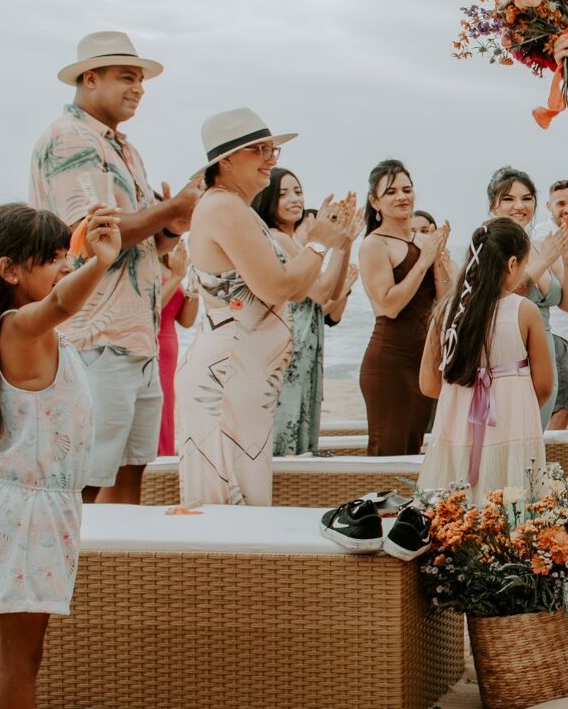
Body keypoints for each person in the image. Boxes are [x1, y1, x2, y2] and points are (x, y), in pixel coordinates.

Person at [0, 200, 119, 709]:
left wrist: (78, 249)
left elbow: (57, 301)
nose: (64, 267)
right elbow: (62, 304)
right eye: (51, 259)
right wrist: (100, 261)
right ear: (9, 270)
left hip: (21, 504)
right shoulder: (20, 327)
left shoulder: (15, 328)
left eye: (66, 256)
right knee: (18, 663)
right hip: (31, 511)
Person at [28, 31, 198, 504]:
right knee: (85, 479)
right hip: (92, 337)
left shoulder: (124, 148)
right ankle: (79, 577)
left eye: (141, 80)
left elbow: (136, 243)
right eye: (127, 77)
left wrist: (171, 227)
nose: (138, 88)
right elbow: (87, 240)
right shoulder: (69, 139)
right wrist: (168, 211)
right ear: (89, 79)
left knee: (129, 475)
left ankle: (114, 577)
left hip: (133, 335)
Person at [177, 111, 358, 505]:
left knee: (245, 498)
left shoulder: (235, 208)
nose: (270, 158)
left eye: (270, 148)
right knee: (231, 504)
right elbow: (278, 287)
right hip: (226, 377)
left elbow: (302, 288)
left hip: (242, 377)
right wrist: (319, 244)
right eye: (258, 150)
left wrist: (331, 242)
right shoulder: (224, 207)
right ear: (225, 161)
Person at [416, 218, 550, 493]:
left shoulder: (446, 311)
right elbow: (545, 386)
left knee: (456, 515)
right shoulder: (524, 311)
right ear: (512, 264)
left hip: (455, 433)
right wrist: (512, 401)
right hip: (513, 431)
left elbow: (428, 384)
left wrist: (465, 399)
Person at [252, 170, 355, 456]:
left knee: (302, 432)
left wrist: (343, 244)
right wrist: (332, 244)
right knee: (287, 437)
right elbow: (321, 293)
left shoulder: (296, 242)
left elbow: (333, 290)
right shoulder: (277, 238)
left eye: (297, 191)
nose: (294, 199)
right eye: (283, 193)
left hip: (306, 348)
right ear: (268, 199)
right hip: (291, 349)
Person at [482, 167, 568, 424]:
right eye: (509, 199)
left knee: (535, 438)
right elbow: (505, 292)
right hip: (509, 355)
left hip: (544, 356)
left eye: (527, 198)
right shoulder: (488, 242)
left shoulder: (541, 245)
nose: (519, 206)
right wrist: (547, 260)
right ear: (493, 205)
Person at [358, 161, 447, 456]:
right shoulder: (374, 245)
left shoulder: (424, 241)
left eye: (407, 190)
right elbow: (390, 305)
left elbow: (444, 299)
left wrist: (439, 258)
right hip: (390, 362)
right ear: (375, 201)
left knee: (414, 451)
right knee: (389, 451)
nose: (401, 197)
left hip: (423, 360)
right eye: (391, 191)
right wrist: (424, 259)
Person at [534, 178, 568, 430]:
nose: (567, 208)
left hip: (565, 333)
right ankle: (545, 463)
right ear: (548, 205)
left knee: (559, 404)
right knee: (564, 406)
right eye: (561, 203)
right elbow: (565, 289)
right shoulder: (546, 234)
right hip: (552, 331)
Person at [155, 242, 196, 456]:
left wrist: (194, 285)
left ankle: (164, 460)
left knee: (167, 409)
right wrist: (177, 277)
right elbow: (152, 308)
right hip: (153, 345)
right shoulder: (149, 265)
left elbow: (186, 320)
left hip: (170, 347)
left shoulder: (172, 266)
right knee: (156, 412)